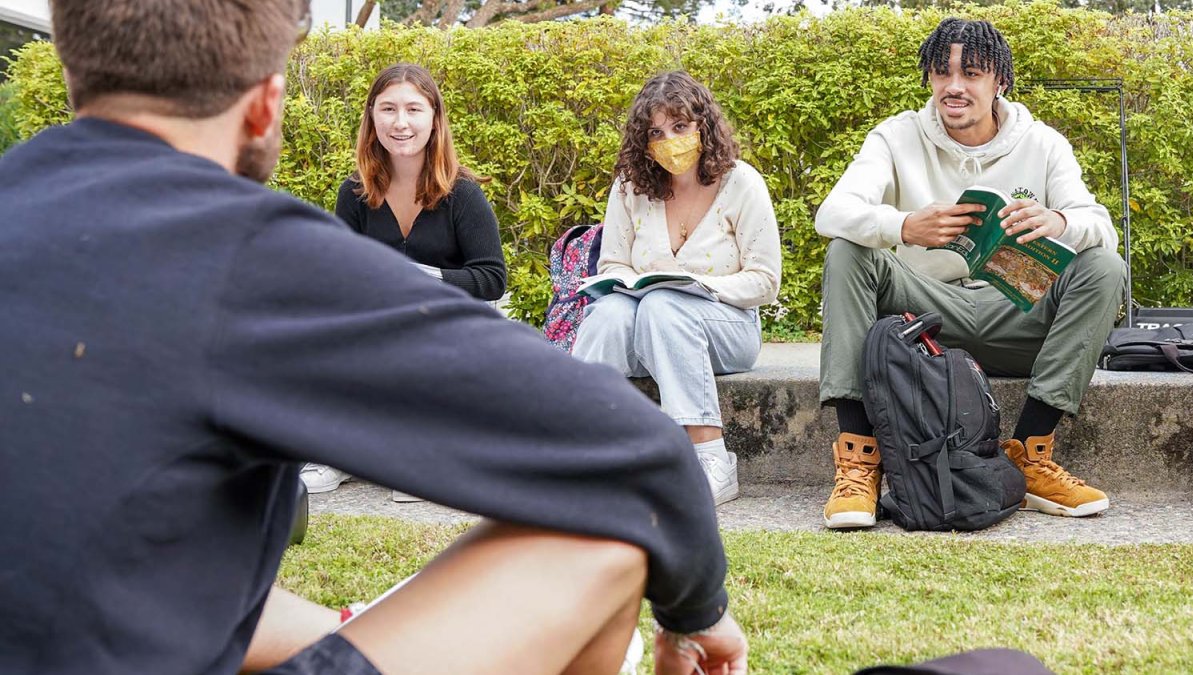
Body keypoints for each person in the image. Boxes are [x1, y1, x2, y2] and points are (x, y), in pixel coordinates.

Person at [0, 2, 749, 674]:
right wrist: (699, 610)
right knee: (602, 540)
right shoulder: (245, 254)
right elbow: (636, 452)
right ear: (267, 105)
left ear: (72, 71)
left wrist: (338, 628)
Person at [814, 18, 1124, 530]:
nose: (953, 87)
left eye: (971, 73)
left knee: (1103, 264)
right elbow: (832, 213)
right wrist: (904, 226)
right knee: (848, 251)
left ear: (1000, 80)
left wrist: (1059, 221)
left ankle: (1031, 452)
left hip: (1015, 314)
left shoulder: (1043, 143)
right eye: (942, 73)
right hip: (923, 325)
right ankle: (858, 461)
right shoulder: (896, 136)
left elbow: (1102, 228)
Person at [573, 71, 783, 506]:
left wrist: (692, 286)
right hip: (644, 321)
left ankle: (711, 459)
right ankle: (582, 451)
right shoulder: (632, 187)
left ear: (703, 126)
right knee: (610, 313)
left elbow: (765, 281)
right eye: (656, 132)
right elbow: (612, 261)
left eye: (680, 126)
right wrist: (634, 286)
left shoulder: (741, 182)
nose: (669, 139)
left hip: (727, 329)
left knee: (666, 305)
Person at [302, 63, 507, 499]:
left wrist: (420, 278)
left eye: (414, 109)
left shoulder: (463, 195)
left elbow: (492, 278)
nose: (400, 122)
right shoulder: (354, 193)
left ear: (434, 119)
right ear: (371, 118)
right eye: (388, 109)